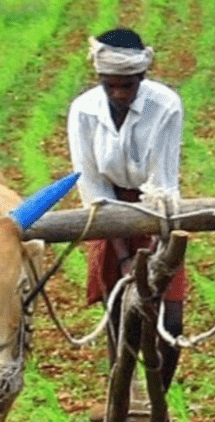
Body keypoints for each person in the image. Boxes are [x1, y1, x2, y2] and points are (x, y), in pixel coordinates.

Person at [67, 27, 186, 393]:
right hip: (108, 214)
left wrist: (154, 258)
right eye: (111, 85)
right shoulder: (84, 111)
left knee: (171, 320)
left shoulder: (166, 105)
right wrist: (122, 258)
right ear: (100, 79)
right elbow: (92, 185)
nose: (119, 94)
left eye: (128, 86)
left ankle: (156, 400)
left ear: (142, 77)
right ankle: (120, 394)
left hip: (157, 211)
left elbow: (162, 182)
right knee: (120, 313)